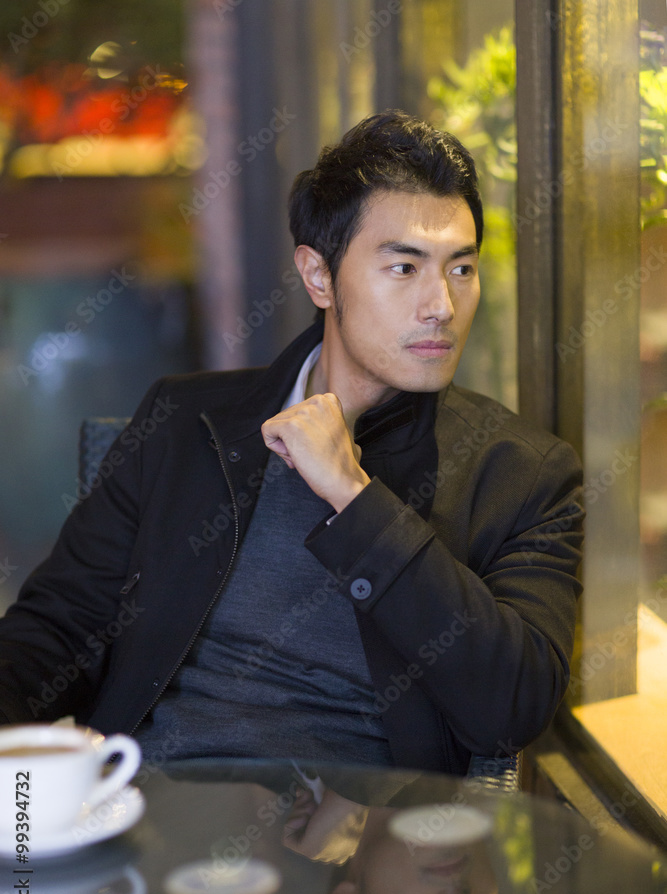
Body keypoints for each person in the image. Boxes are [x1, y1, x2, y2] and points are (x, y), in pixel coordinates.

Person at [0, 110, 584, 774]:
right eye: (403, 268)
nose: (441, 307)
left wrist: (356, 500)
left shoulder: (520, 474)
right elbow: (56, 630)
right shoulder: (187, 422)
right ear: (318, 276)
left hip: (366, 848)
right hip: (152, 818)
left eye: (460, 268)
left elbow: (511, 706)